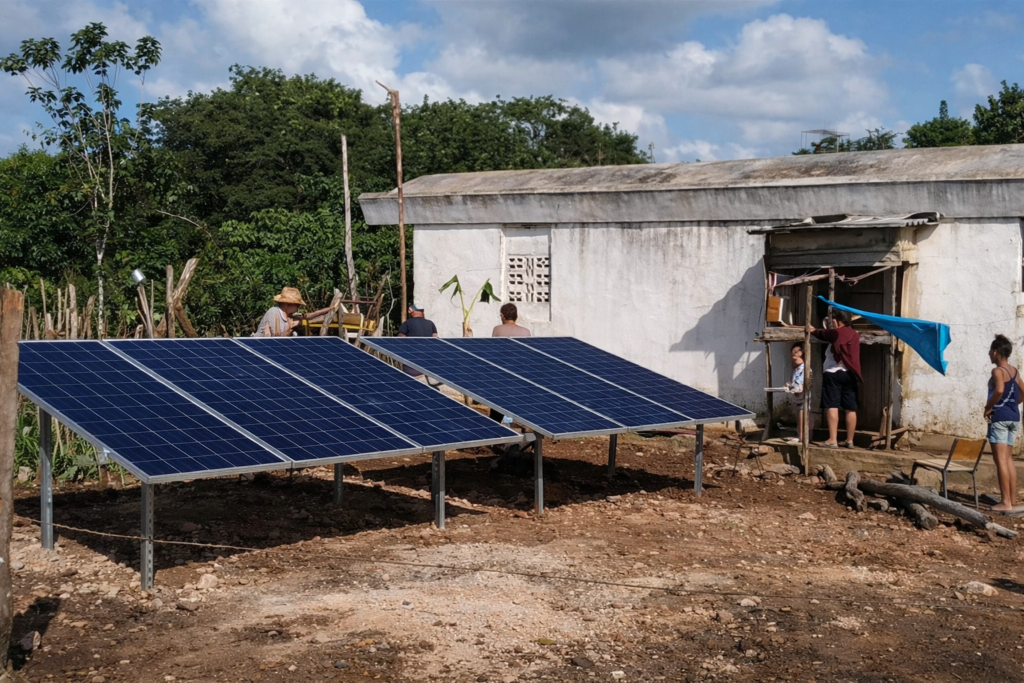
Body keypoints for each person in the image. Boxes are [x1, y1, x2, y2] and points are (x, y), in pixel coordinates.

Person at [984, 334, 1024, 512]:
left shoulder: (998, 371)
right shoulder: (1015, 371)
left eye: (990, 351)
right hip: (1014, 417)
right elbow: (1023, 392)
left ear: (995, 352)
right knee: (1008, 459)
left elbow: (999, 389)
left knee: (1000, 460)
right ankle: (1012, 500)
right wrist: (1013, 405)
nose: (989, 354)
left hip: (1000, 417)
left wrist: (988, 407)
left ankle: (1005, 502)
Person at [811, 309, 862, 448]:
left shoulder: (835, 333)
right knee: (850, 407)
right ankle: (850, 440)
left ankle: (832, 439)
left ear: (837, 321)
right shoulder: (854, 334)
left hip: (833, 373)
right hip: (850, 374)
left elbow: (821, 333)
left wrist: (813, 329)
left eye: (832, 319)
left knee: (832, 405)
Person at [784, 342, 812, 445]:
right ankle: (800, 434)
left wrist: (792, 387)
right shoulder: (796, 369)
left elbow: (801, 384)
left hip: (804, 396)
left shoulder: (805, 368)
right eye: (792, 353)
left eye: (797, 352)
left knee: (803, 412)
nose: (794, 354)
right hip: (797, 397)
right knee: (799, 412)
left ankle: (803, 435)